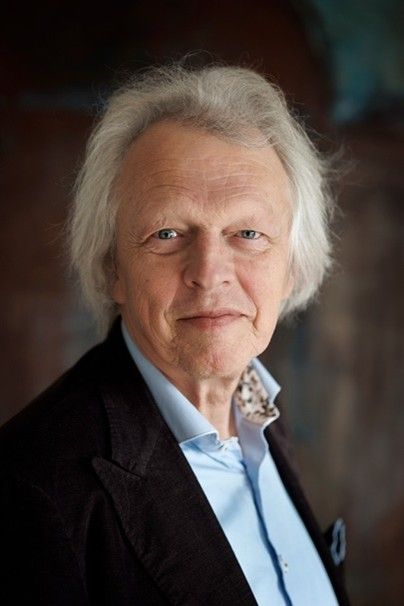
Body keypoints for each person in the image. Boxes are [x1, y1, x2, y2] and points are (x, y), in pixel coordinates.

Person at [0, 63, 349, 605]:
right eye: (167, 233)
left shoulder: (258, 416)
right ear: (112, 268)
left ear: (292, 266)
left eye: (248, 233)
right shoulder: (29, 491)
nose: (209, 272)